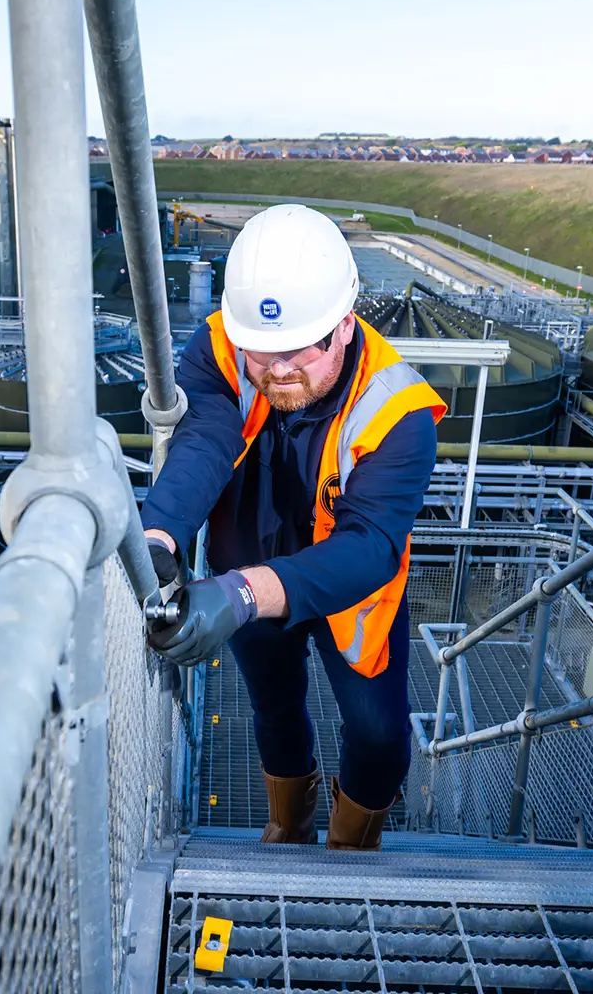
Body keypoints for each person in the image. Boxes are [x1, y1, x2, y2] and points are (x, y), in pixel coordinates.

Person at [142, 204, 444, 851]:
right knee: (275, 709)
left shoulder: (400, 412)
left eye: (297, 350)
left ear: (345, 324)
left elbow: (370, 547)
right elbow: (204, 439)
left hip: (346, 591)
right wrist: (158, 539)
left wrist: (244, 592)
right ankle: (290, 824)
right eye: (261, 351)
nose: (277, 370)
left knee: (381, 736)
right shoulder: (222, 348)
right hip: (245, 569)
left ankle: (350, 844)